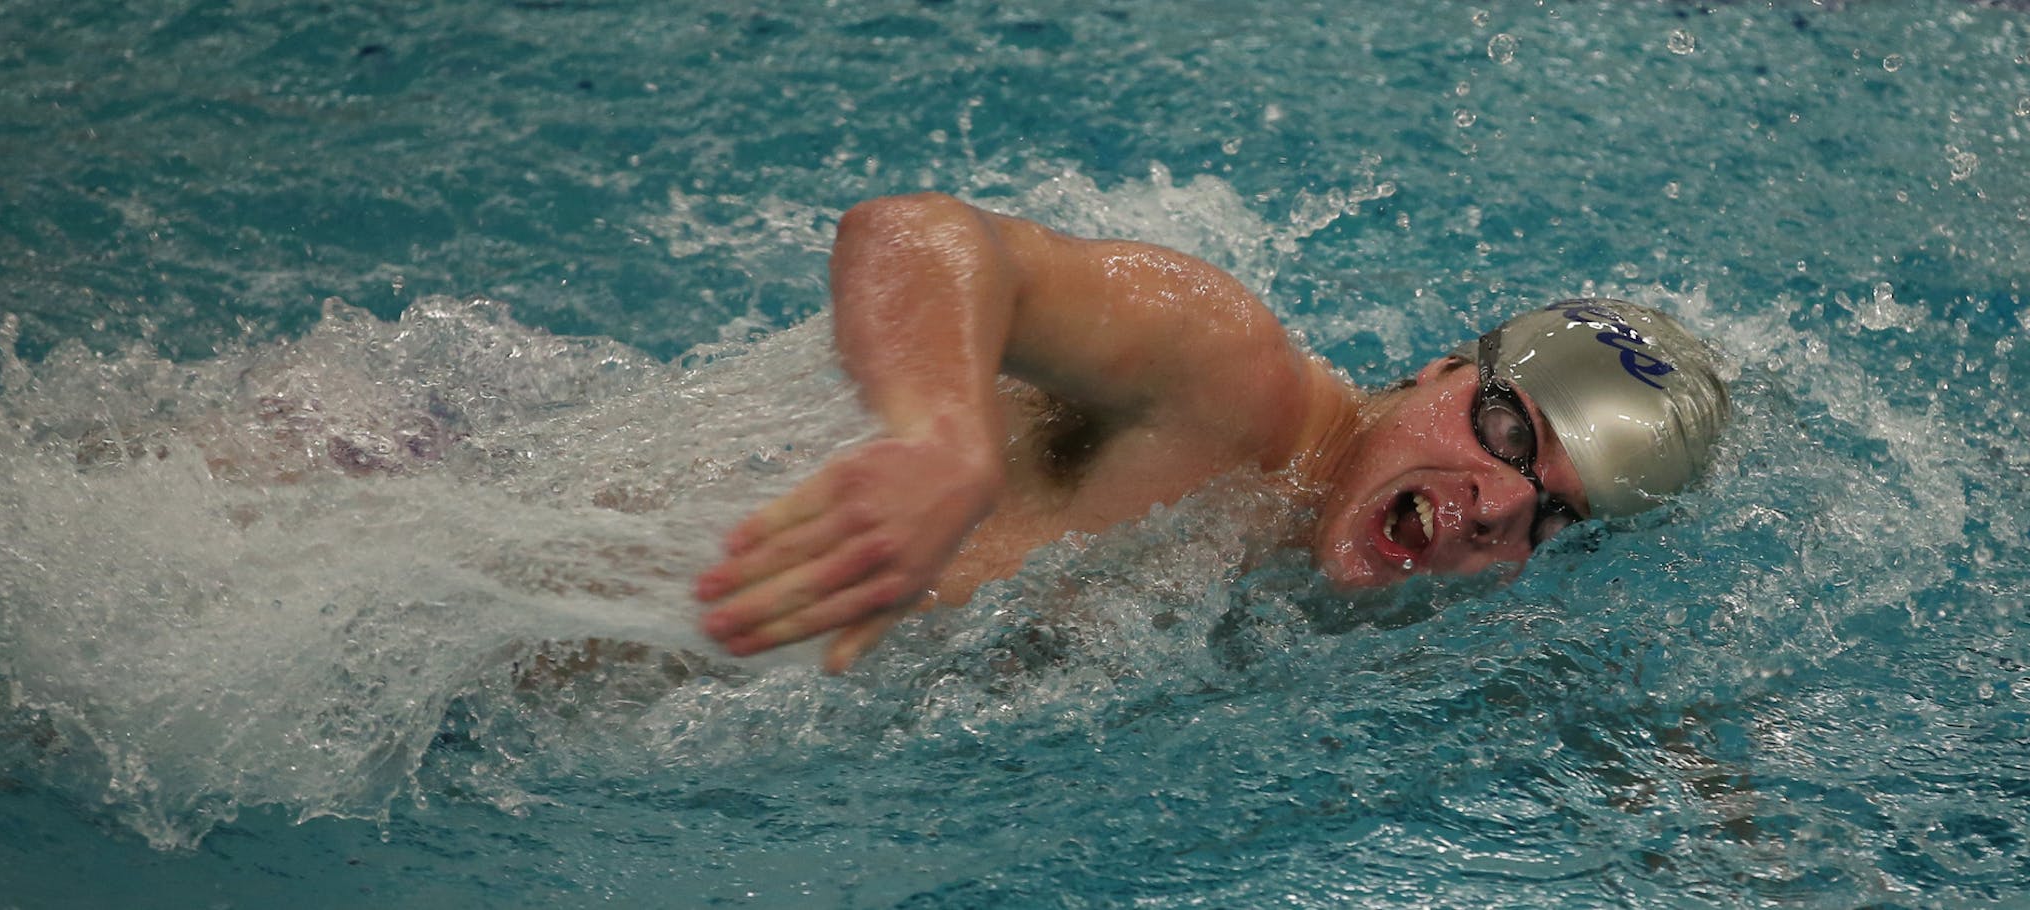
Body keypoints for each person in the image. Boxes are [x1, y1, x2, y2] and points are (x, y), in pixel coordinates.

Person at [693, 192, 1730, 674]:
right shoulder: (1229, 380)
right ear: (1438, 370)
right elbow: (909, 234)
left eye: (1552, 519)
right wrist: (935, 440)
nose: (1498, 505)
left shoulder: (1373, 620)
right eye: (1506, 431)